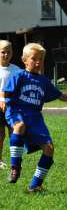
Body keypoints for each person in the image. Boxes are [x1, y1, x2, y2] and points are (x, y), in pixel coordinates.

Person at [1, 43, 67, 192]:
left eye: (41, 59)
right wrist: (4, 102)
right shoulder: (18, 75)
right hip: (17, 111)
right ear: (24, 60)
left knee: (49, 149)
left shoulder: (43, 81)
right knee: (19, 126)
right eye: (34, 59)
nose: (38, 62)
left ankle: (35, 185)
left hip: (35, 117)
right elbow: (6, 92)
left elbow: (61, 96)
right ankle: (15, 168)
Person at [0, 40, 20, 169]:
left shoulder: (16, 70)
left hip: (12, 107)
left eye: (8, 52)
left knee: (14, 133)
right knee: (0, 135)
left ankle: (15, 161)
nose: (6, 55)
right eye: (3, 52)